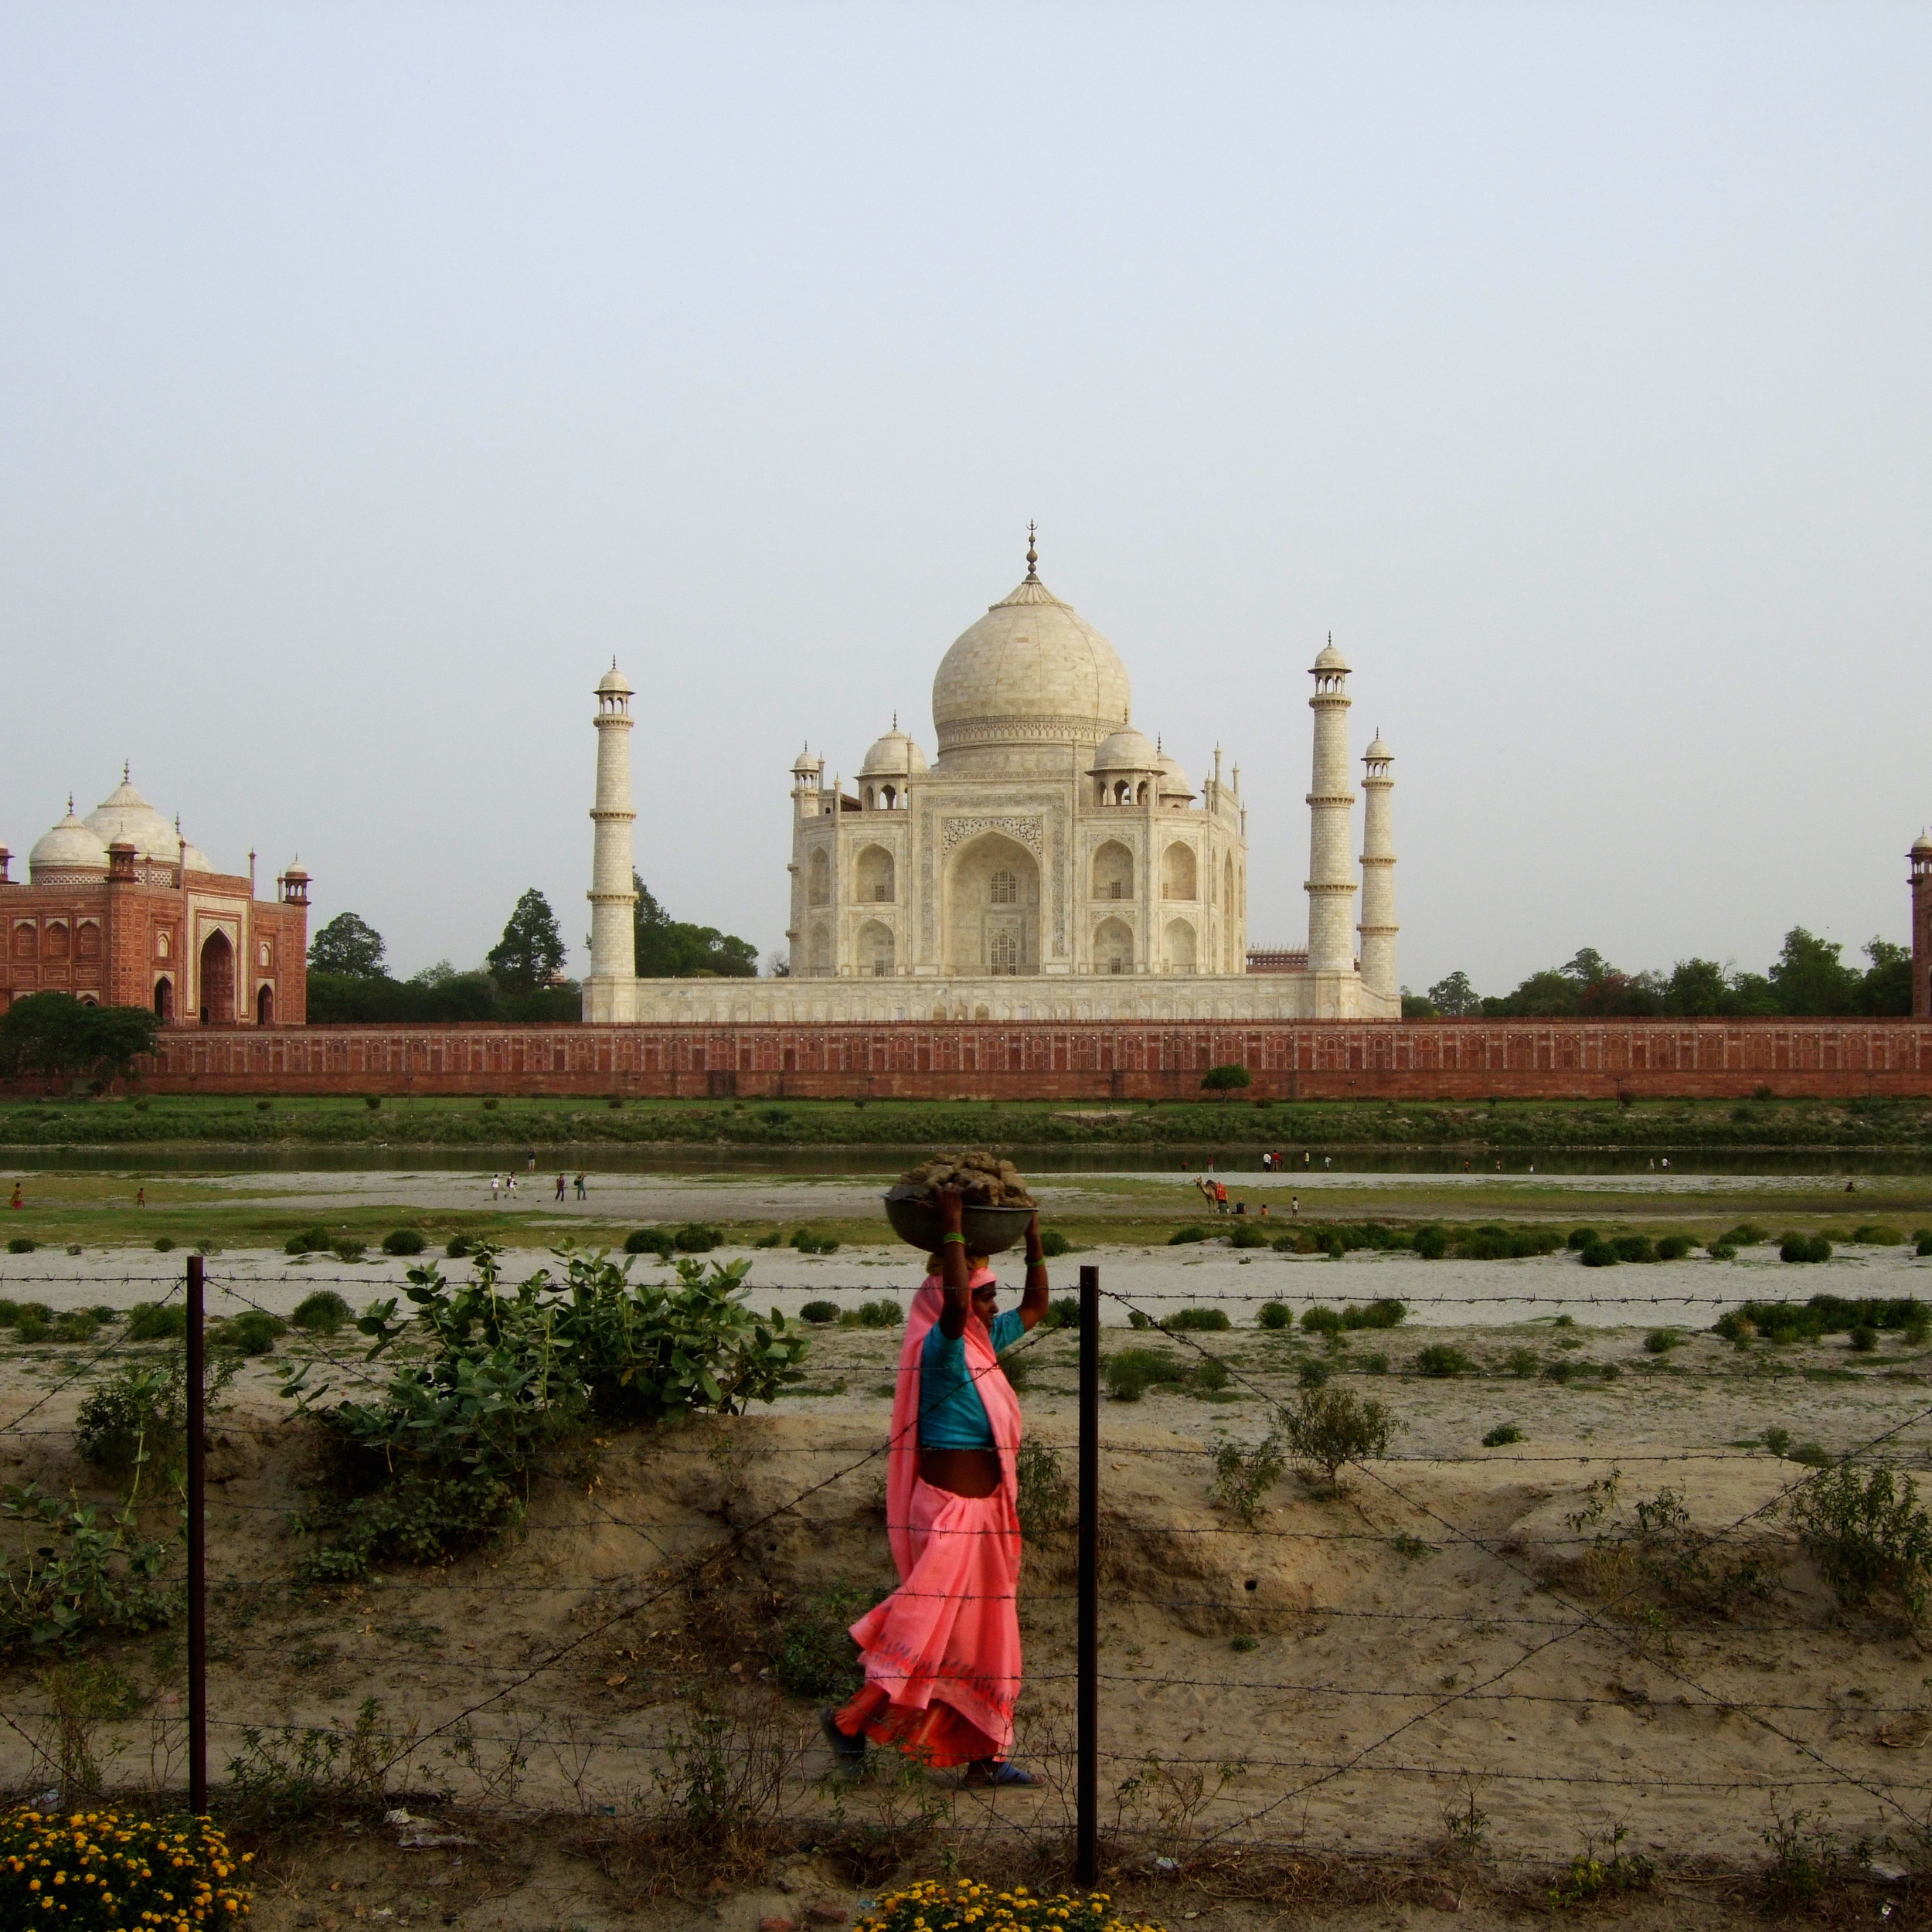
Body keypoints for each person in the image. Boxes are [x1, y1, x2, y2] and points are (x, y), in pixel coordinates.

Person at [825, 1188, 1049, 1787]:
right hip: (949, 1513)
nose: (989, 1306)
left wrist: (1032, 1240)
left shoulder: (983, 1342)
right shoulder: (943, 1349)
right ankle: (848, 1721)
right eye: (983, 1297)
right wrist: (953, 1229)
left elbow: (1036, 1308)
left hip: (985, 1513)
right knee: (925, 1628)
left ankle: (985, 1759)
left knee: (981, 1638)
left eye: (988, 1297)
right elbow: (953, 1307)